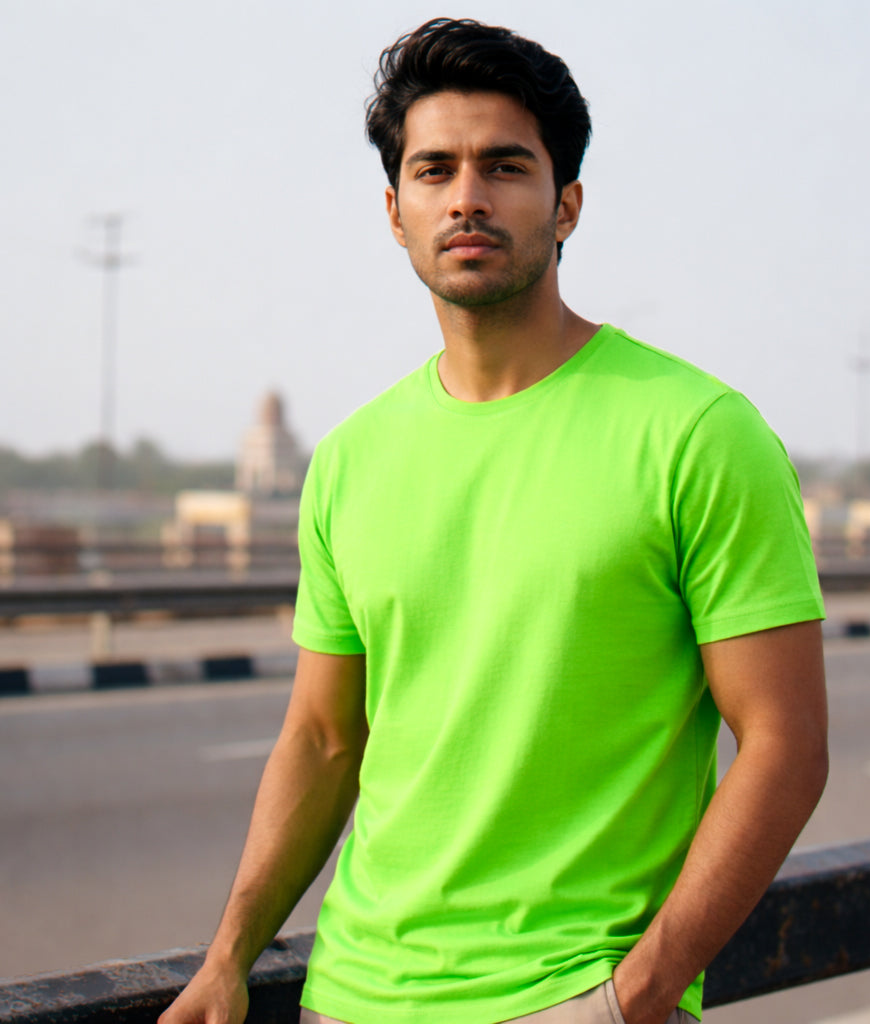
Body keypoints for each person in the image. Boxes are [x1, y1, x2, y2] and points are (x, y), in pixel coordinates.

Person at [160, 17, 828, 1024]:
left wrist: (637, 994)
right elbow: (323, 738)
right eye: (434, 170)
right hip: (349, 999)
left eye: (504, 165)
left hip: (573, 998)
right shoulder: (349, 459)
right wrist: (228, 958)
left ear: (566, 205)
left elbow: (783, 742)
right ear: (395, 211)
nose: (466, 196)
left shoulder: (696, 432)